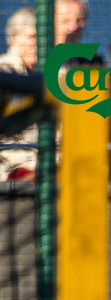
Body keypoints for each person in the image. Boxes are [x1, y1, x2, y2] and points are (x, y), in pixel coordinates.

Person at [0, 0, 89, 178]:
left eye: (42, 38)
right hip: (11, 176)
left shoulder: (63, 74)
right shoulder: (4, 73)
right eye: (31, 37)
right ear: (14, 38)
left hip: (57, 171)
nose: (37, 44)